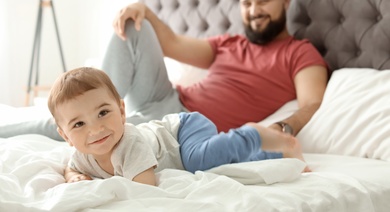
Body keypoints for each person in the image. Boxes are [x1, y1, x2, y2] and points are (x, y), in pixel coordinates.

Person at [101, 0, 329, 135]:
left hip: (186, 125)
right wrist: (143, 10)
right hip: (164, 98)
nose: (254, 11)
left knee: (105, 133)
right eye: (247, 3)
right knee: (134, 24)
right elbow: (172, 44)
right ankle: (94, 106)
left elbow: (312, 104)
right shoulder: (229, 43)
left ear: (286, 0)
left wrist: (283, 128)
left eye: (263, 1)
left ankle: (86, 117)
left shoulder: (299, 52)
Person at [48, 67, 309, 185]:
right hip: (175, 132)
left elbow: (143, 188)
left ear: (122, 110)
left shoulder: (128, 142)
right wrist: (73, 176)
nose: (95, 129)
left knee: (198, 160)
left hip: (182, 132)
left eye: (103, 112)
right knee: (224, 165)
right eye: (79, 124)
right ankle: (278, 153)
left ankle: (254, 134)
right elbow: (71, 167)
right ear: (66, 136)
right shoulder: (81, 155)